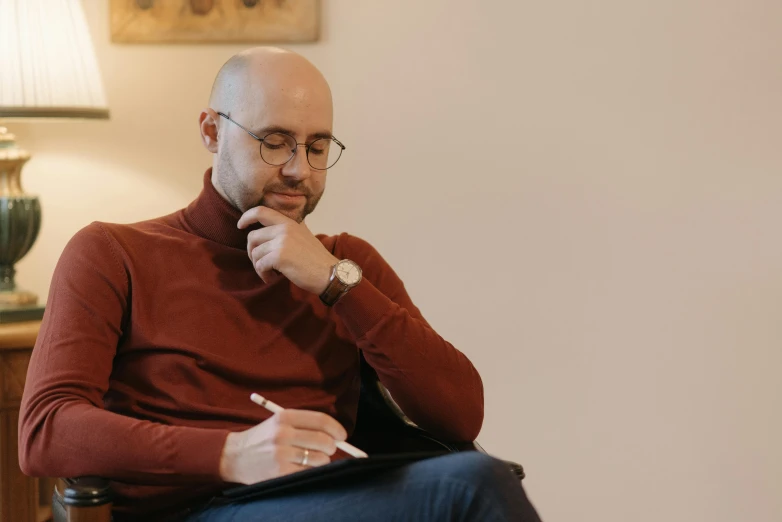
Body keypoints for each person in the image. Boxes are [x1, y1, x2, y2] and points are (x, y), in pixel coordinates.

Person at [19, 47, 541, 521]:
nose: (300, 170)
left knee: (477, 479)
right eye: (274, 142)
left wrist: (338, 285)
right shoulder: (114, 254)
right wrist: (232, 453)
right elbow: (45, 430)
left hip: (326, 497)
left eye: (317, 147)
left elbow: (460, 416)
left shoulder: (343, 263)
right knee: (469, 492)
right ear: (211, 132)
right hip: (191, 510)